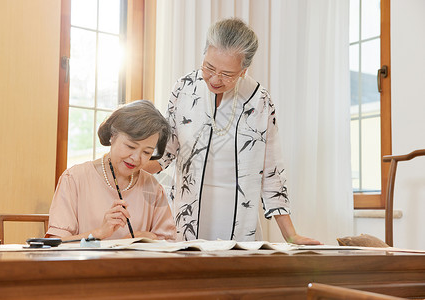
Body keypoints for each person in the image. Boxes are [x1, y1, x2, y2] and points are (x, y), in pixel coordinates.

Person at [145, 18, 320, 244]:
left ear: (243, 70)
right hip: (187, 214)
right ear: (204, 54)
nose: (215, 79)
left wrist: (291, 235)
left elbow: (272, 171)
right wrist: (125, 166)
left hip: (239, 217)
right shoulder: (184, 88)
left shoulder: (259, 100)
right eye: (209, 67)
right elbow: (166, 151)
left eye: (227, 74)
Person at [46, 100, 176, 241]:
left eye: (146, 152)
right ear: (112, 136)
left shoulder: (153, 188)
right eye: (130, 146)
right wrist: (99, 233)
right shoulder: (74, 178)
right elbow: (55, 244)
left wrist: (150, 238)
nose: (136, 158)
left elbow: (169, 244)